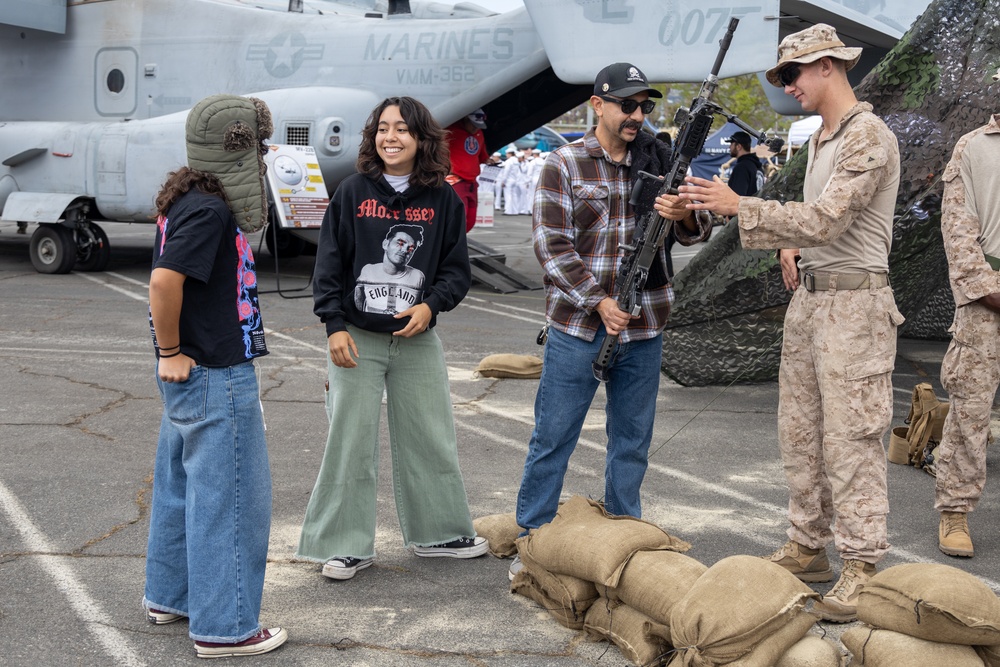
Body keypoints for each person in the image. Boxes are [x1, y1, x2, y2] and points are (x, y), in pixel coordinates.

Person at [671, 24, 903, 623]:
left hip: (855, 309)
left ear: (827, 66)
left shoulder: (866, 136)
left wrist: (739, 206)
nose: (787, 86)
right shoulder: (824, 139)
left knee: (851, 441)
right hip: (812, 304)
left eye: (792, 74)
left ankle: (862, 565)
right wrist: (785, 246)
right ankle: (809, 546)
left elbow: (827, 219)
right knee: (799, 434)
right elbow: (813, 226)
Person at [511, 62, 711, 579]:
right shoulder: (566, 163)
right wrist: (598, 301)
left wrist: (682, 211)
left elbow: (696, 231)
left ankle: (624, 538)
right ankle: (532, 541)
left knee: (632, 441)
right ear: (597, 104)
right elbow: (550, 246)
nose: (637, 115)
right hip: (580, 328)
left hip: (644, 328)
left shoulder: (661, 159)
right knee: (553, 436)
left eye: (644, 106)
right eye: (627, 104)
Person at [298, 95, 487, 582]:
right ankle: (344, 545)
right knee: (350, 440)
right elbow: (329, 267)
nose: (391, 137)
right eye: (382, 128)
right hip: (357, 338)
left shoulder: (442, 198)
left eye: (402, 129)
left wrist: (430, 305)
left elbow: (454, 271)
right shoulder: (351, 192)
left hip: (417, 338)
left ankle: (439, 533)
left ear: (422, 138)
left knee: (430, 434)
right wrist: (334, 325)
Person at [144, 94, 287, 658]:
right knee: (230, 498)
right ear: (239, 148)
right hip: (212, 370)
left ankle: (172, 596)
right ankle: (225, 626)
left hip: (195, 370)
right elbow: (163, 281)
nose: (264, 156)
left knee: (181, 490)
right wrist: (171, 350)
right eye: (258, 146)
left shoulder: (189, 196)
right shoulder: (210, 208)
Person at [933, 67, 1000, 559]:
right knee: (970, 411)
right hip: (988, 302)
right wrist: (988, 289)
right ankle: (955, 511)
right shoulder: (973, 147)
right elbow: (959, 234)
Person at [355, 225, 426, 314]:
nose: (405, 250)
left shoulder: (417, 277)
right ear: (385, 244)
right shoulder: (368, 271)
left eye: (411, 248)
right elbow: (359, 305)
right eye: (400, 243)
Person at [446, 108, 490, 232]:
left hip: (471, 183)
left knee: (470, 220)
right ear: (466, 119)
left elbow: (481, 155)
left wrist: (488, 160)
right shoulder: (450, 131)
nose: (476, 128)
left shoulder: (479, 134)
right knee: (459, 218)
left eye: (479, 126)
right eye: (473, 125)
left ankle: (459, 242)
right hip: (456, 180)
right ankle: (453, 246)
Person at [725, 130, 765, 197]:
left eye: (731, 144)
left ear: (738, 147)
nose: (729, 147)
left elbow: (736, 197)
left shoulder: (742, 168)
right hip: (756, 206)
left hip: (744, 207)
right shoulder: (757, 166)